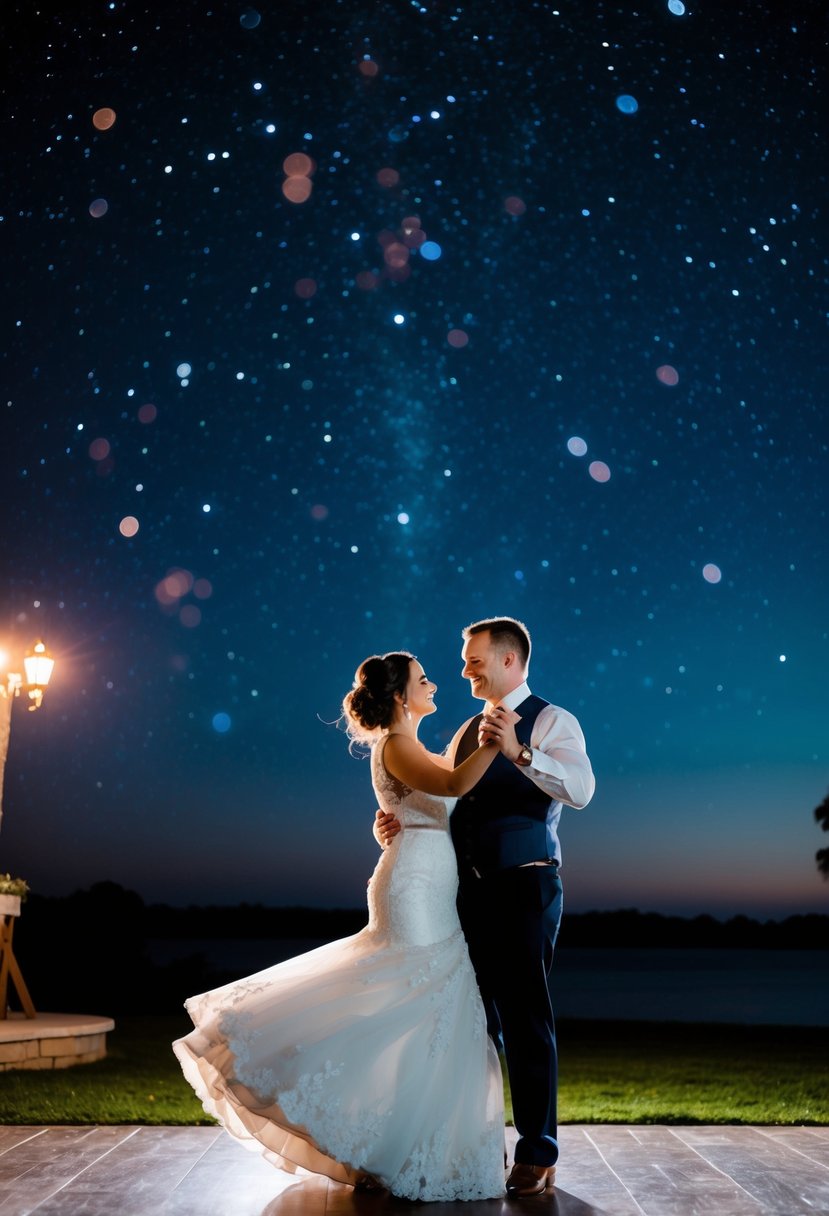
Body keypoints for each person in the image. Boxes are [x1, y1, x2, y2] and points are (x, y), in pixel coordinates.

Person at [173, 650, 519, 1202]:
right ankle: (390, 1143)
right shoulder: (400, 744)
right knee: (415, 999)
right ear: (403, 696)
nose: (434, 684)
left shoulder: (409, 745)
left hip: (426, 881)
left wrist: (397, 821)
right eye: (423, 679)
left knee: (421, 1009)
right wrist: (493, 744)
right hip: (415, 888)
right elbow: (452, 788)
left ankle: (397, 1140)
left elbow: (427, 800)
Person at [375, 617, 595, 1197]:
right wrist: (399, 824)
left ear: (508, 661)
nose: (464, 669)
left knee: (526, 1018)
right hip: (465, 894)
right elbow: (452, 803)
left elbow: (582, 789)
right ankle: (476, 1145)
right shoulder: (466, 729)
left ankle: (537, 1150)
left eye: (474, 659)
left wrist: (521, 753)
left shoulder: (552, 719)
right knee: (475, 1023)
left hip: (526, 885)